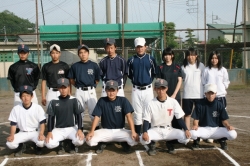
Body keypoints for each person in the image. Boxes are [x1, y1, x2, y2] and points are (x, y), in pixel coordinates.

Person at [140, 79, 191, 156]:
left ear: (167, 88)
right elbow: (146, 120)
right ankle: (152, 144)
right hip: (155, 130)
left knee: (186, 137)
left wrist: (186, 129)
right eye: (158, 88)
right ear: (155, 89)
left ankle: (170, 143)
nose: (161, 91)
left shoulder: (173, 102)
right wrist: (145, 132)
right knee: (142, 139)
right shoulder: (150, 103)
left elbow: (179, 118)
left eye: (163, 88)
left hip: (169, 130)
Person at [86, 80, 138, 154]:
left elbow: (129, 116)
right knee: (89, 141)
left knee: (134, 140)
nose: (111, 93)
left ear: (117, 90)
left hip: (120, 130)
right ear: (106, 90)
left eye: (113, 90)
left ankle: (123, 142)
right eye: (109, 90)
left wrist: (133, 131)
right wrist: (91, 131)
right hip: (105, 130)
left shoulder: (123, 100)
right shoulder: (102, 101)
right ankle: (103, 142)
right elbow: (97, 117)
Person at [190, 83, 237, 150]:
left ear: (215, 94)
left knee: (233, 134)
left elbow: (224, 120)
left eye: (212, 93)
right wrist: (195, 125)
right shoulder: (199, 104)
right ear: (205, 93)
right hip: (204, 129)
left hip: (217, 130)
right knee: (192, 132)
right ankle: (196, 141)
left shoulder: (220, 105)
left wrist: (228, 126)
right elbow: (196, 119)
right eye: (208, 93)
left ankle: (222, 140)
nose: (210, 96)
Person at [45, 78, 84, 154]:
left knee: (80, 140)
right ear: (58, 88)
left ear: (68, 87)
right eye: (61, 88)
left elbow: (79, 115)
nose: (63, 90)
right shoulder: (53, 101)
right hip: (59, 129)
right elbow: (50, 118)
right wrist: (49, 131)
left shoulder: (74, 100)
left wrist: (79, 129)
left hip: (72, 128)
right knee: (48, 143)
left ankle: (72, 144)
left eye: (65, 87)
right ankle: (61, 143)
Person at [127, 37, 157, 135]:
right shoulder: (131, 60)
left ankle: (146, 132)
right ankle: (138, 133)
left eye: (142, 46)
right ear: (135, 48)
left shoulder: (150, 59)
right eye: (138, 47)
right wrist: (136, 80)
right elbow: (129, 74)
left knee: (148, 112)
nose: (140, 49)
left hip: (148, 89)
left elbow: (154, 73)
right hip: (136, 89)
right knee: (137, 113)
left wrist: (148, 81)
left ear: (145, 47)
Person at [156, 47, 183, 153]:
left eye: (169, 54)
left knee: (176, 116)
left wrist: (174, 94)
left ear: (172, 55)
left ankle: (175, 138)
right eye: (165, 55)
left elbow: (180, 81)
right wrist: (165, 95)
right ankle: (166, 138)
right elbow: (158, 81)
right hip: (164, 96)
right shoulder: (161, 67)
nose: (167, 56)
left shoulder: (177, 67)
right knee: (166, 117)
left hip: (175, 96)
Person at [6, 85, 46, 156]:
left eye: (28, 95)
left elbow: (42, 123)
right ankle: (22, 146)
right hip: (22, 133)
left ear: (32, 96)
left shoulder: (37, 108)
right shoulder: (16, 108)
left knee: (42, 142)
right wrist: (12, 135)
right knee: (10, 144)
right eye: (23, 96)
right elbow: (13, 124)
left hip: (34, 132)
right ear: (20, 97)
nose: (26, 98)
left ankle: (37, 146)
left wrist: (41, 133)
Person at [67, 44, 100, 129]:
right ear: (78, 55)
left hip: (91, 90)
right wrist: (77, 85)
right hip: (79, 90)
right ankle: (79, 129)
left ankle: (95, 129)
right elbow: (71, 79)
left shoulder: (94, 65)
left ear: (88, 53)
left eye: (85, 52)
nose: (83, 54)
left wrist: (93, 86)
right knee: (79, 111)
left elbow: (97, 79)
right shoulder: (75, 66)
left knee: (93, 111)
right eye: (80, 52)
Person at [201, 50, 230, 144]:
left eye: (216, 58)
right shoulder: (206, 70)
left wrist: (221, 89)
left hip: (220, 96)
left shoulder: (223, 70)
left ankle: (222, 137)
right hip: (209, 97)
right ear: (210, 59)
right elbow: (203, 82)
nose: (214, 60)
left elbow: (226, 82)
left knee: (221, 116)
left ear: (219, 59)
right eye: (212, 58)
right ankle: (209, 135)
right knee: (209, 116)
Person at [181, 48, 205, 130]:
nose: (190, 57)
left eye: (192, 55)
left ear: (196, 56)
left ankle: (199, 134)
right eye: (188, 55)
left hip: (199, 94)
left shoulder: (201, 66)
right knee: (187, 114)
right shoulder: (183, 67)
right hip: (187, 95)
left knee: (199, 115)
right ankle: (187, 132)